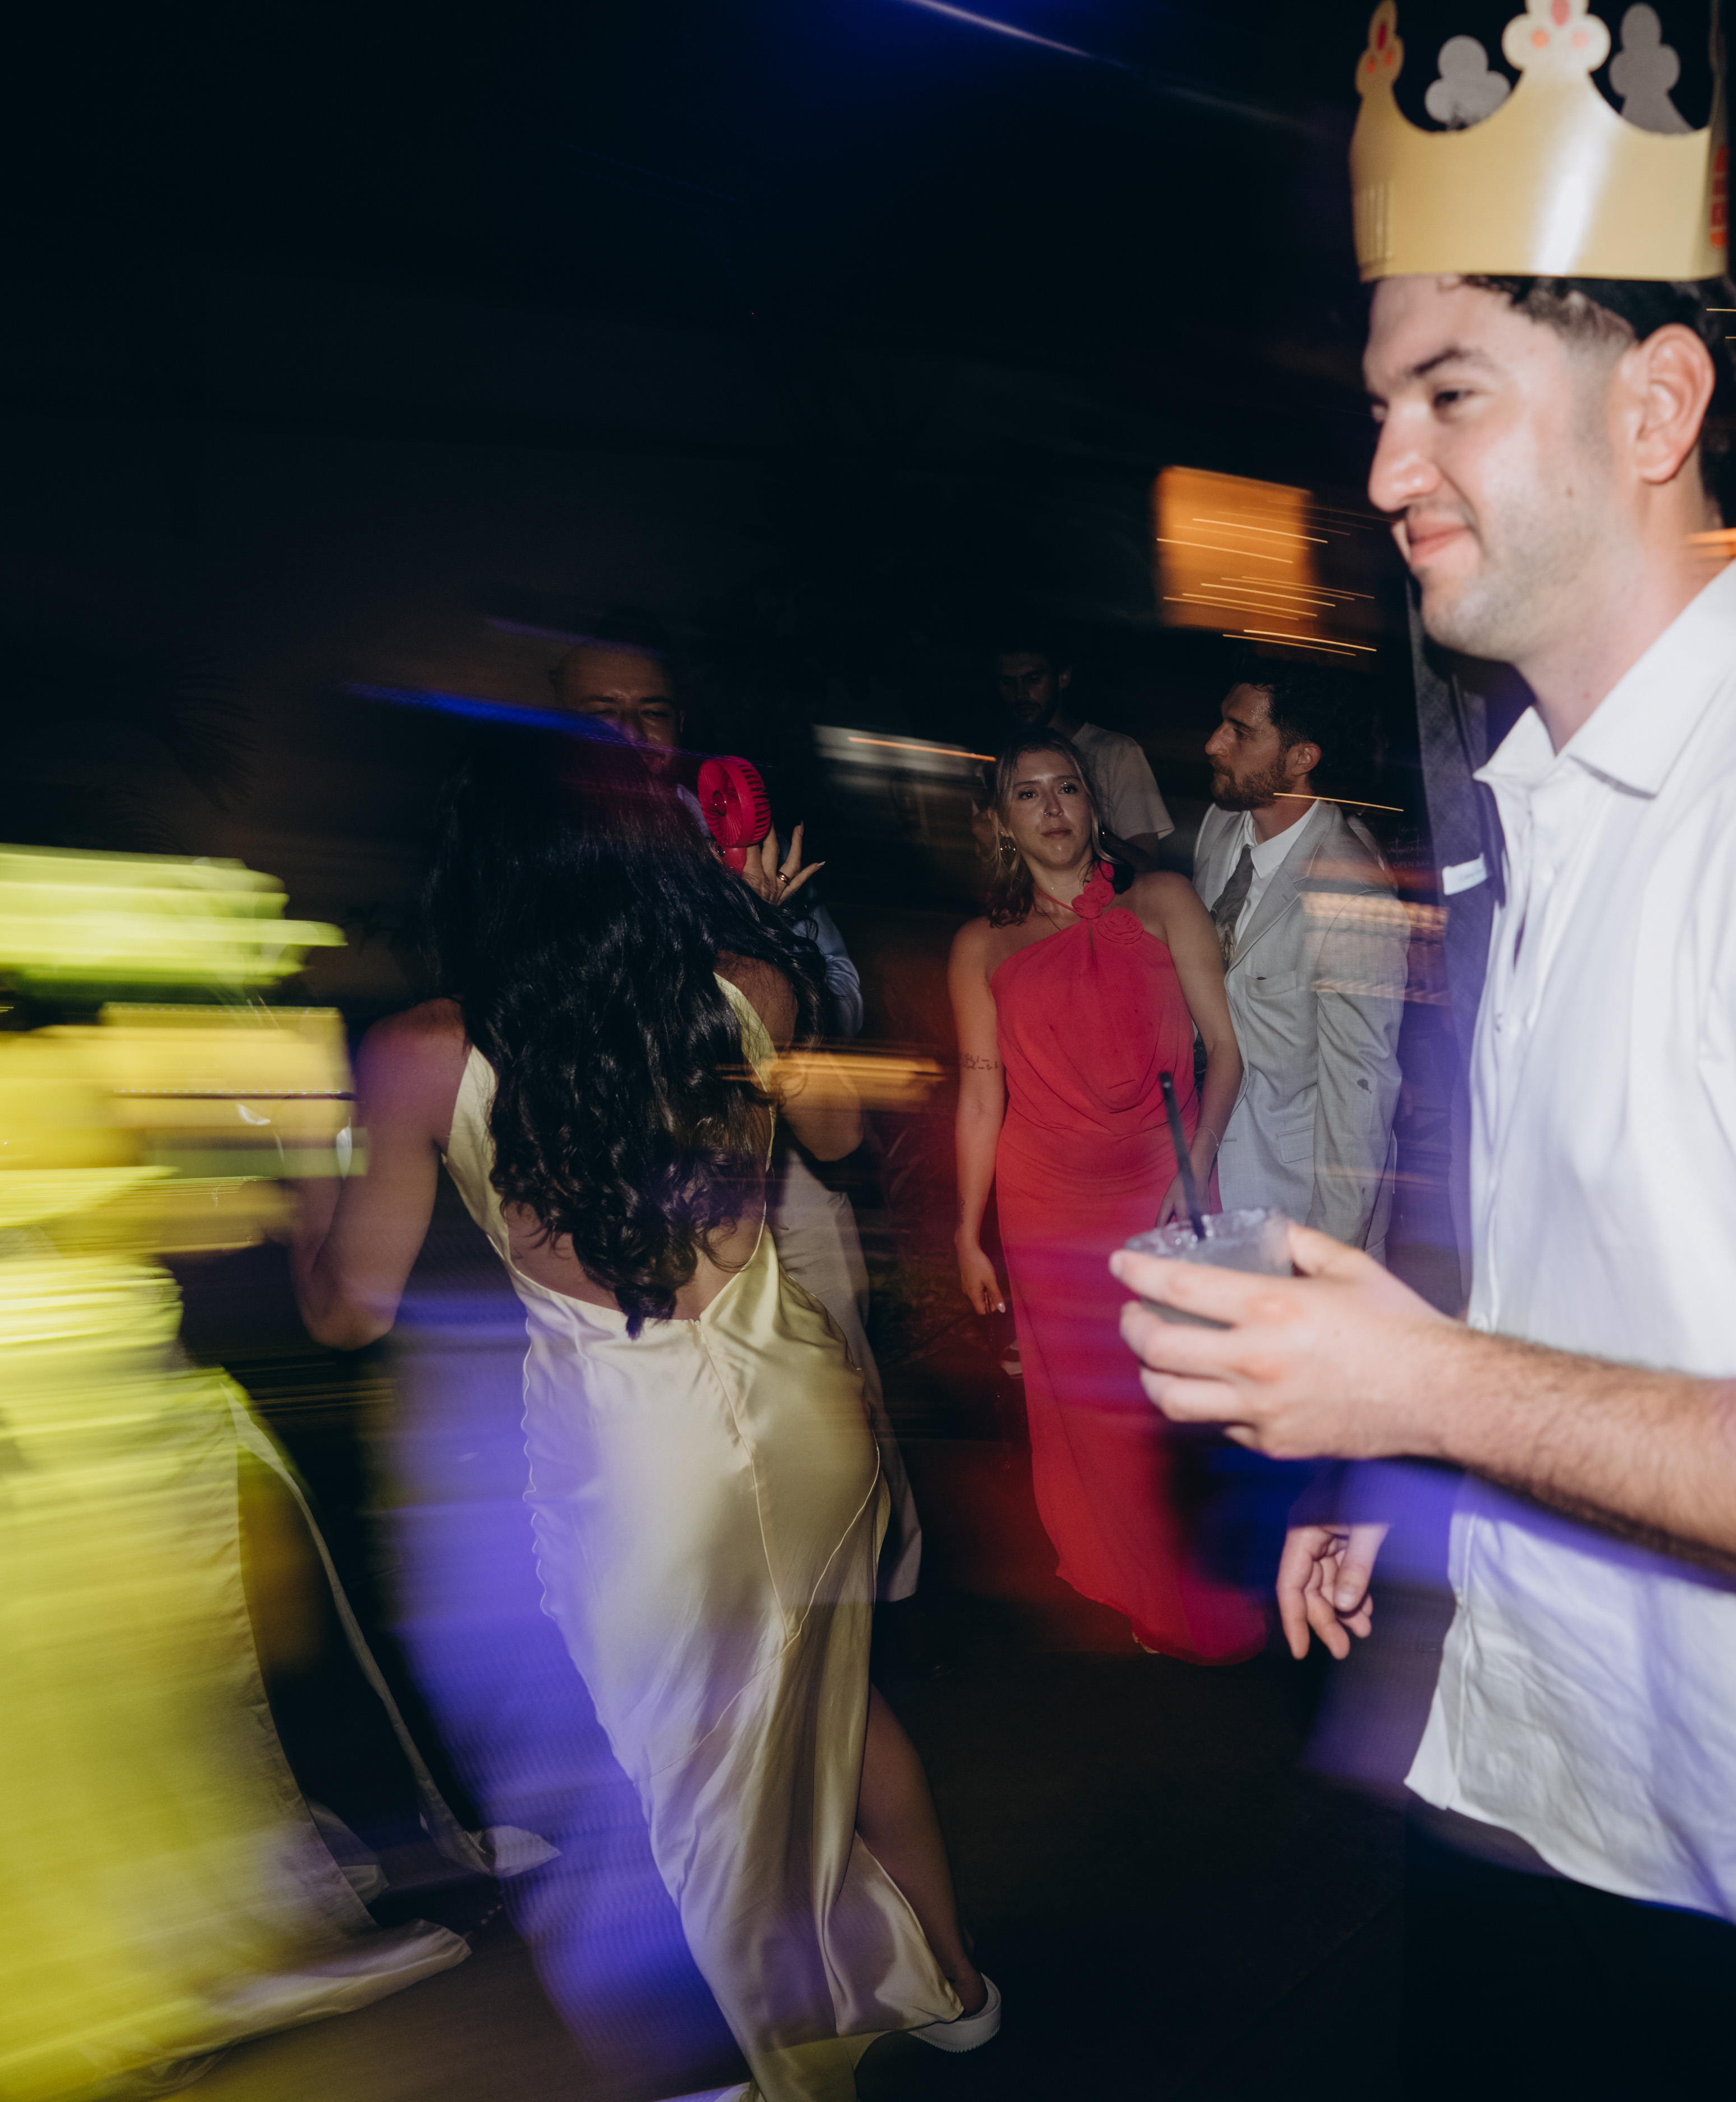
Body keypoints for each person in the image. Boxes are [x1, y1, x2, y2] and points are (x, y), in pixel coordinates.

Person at [1113, 11, 1736, 2076]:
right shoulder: (1549, 801)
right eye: (1382, 405)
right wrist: (1407, 1451)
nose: (1385, 472)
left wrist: (1427, 1386)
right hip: (1543, 1768)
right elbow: (1616, 1287)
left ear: (1657, 402)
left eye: (1449, 395)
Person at [290, 723, 997, 2098]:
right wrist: (761, 929)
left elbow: (348, 1310)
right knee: (838, 1705)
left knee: (686, 1777)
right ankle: (953, 1988)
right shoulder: (747, 988)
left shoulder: (425, 1052)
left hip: (635, 1460)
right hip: (804, 1408)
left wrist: (308, 1180)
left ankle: (760, 2066)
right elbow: (842, 1141)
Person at [948, 729, 1267, 1663]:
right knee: (1099, 1414)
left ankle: (1210, 1579)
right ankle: (1145, 1590)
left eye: (1068, 788)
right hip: (1047, 1202)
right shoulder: (981, 944)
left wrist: (1193, 1162)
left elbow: (1226, 1051)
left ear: (1094, 805)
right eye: (1028, 793)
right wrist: (967, 1231)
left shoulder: (1164, 901)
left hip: (1161, 1184)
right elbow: (981, 1096)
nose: (1052, 808)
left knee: (1177, 1397)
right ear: (1002, 823)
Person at [546, 620, 883, 1400]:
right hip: (625, 1176)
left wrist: (767, 949)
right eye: (603, 712)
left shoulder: (737, 830)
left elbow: (844, 991)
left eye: (653, 712)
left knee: (842, 1377)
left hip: (784, 1163)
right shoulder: (537, 860)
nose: (631, 733)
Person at [1193, 660, 1409, 1249]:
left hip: (1293, 1191)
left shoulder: (1350, 895)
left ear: (1301, 758)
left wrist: (1328, 1252)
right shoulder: (1219, 826)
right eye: (1221, 724)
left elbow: (1359, 1094)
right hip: (1205, 1165)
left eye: (1240, 732)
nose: (1213, 744)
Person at [991, 633, 1174, 865]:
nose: (1020, 694)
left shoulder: (1115, 752)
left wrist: (1087, 825)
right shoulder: (997, 764)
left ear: (1063, 677)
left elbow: (1145, 863)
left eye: (1033, 679)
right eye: (1008, 683)